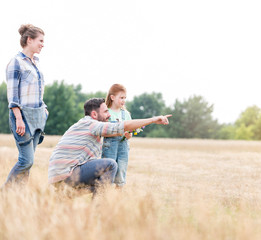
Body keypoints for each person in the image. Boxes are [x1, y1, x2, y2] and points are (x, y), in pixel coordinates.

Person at [48, 98, 171, 195]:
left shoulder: (82, 124)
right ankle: (98, 209)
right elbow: (122, 126)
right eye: (106, 112)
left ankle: (65, 196)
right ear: (94, 114)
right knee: (111, 165)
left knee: (100, 182)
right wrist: (153, 120)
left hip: (58, 176)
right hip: (67, 174)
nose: (109, 115)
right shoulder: (92, 124)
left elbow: (118, 130)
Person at [2, 24, 48, 187]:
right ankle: (5, 194)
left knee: (29, 162)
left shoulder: (36, 62)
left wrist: (44, 107)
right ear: (29, 40)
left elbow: (37, 90)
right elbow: (13, 95)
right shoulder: (16, 63)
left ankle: (20, 198)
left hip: (37, 115)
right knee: (26, 160)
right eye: (40, 40)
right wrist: (19, 119)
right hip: (22, 117)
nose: (43, 44)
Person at [102, 84, 132, 188]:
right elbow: (103, 130)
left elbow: (130, 132)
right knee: (107, 172)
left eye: (125, 98)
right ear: (112, 97)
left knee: (121, 171)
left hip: (123, 147)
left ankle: (118, 198)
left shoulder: (126, 114)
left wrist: (129, 135)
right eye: (121, 97)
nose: (123, 100)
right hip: (110, 146)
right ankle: (105, 195)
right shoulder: (106, 113)